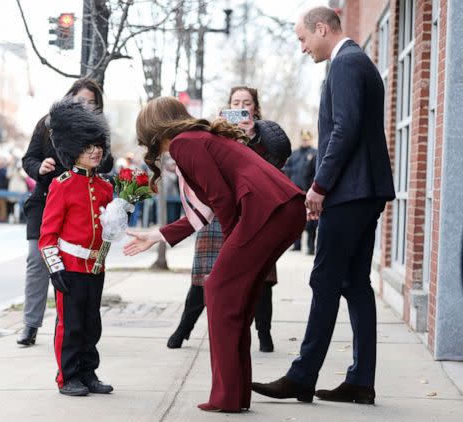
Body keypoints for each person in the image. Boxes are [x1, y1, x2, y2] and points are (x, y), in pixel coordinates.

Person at [124, 96, 306, 412]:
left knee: (219, 289)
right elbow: (207, 206)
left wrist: (230, 246)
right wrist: (158, 236)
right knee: (238, 299)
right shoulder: (197, 139)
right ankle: (235, 395)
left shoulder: (184, 144)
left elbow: (221, 199)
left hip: (268, 210)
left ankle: (227, 396)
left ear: (153, 129)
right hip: (283, 208)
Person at [251, 7, 395, 405]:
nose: (302, 48)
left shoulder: (345, 64)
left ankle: (302, 376)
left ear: (321, 29)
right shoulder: (359, 61)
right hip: (366, 192)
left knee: (326, 279)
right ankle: (361, 382)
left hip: (349, 192)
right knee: (355, 284)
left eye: (302, 39)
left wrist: (319, 186)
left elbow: (344, 130)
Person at [167, 86, 291, 353]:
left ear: (255, 108)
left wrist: (252, 137)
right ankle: (183, 330)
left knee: (262, 277)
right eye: (236, 102)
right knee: (204, 275)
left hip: (252, 210)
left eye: (246, 103)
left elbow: (275, 164)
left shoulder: (267, 134)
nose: (241, 106)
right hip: (215, 213)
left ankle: (264, 334)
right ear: (227, 106)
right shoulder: (213, 131)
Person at [17, 78, 114, 346]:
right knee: (38, 260)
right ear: (69, 97)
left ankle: (68, 328)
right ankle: (30, 324)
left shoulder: (97, 131)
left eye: (92, 102)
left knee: (73, 272)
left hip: (79, 205)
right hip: (46, 200)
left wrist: (91, 155)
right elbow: (28, 159)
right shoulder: (48, 123)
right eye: (80, 99)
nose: (85, 105)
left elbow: (107, 161)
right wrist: (40, 166)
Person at [39, 99, 114, 396]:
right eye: (87, 147)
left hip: (96, 266)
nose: (95, 151)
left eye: (97, 145)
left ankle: (88, 372)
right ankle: (67, 376)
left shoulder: (106, 188)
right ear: (73, 150)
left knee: (91, 325)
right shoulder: (62, 184)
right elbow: (48, 234)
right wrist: (54, 268)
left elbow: (106, 229)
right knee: (69, 326)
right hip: (69, 267)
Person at [283, 130, 318, 254]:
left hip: (309, 192)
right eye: (303, 139)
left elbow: (316, 173)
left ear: (311, 139)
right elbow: (286, 169)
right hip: (295, 192)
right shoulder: (294, 154)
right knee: (295, 219)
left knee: (311, 221)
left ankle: (311, 247)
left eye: (307, 139)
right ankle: (296, 245)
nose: (305, 141)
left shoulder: (315, 153)